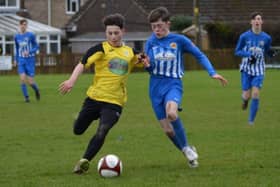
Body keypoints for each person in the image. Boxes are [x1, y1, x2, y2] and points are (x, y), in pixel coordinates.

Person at [139, 7, 228, 168]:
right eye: (153, 26)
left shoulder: (179, 40)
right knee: (167, 130)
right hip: (155, 88)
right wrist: (146, 65)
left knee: (171, 113)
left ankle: (186, 147)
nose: (156, 30)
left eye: (159, 25)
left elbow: (199, 54)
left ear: (168, 24)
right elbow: (150, 67)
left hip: (173, 84)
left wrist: (212, 72)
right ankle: (187, 151)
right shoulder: (150, 42)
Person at [59, 13, 139, 174]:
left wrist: (147, 61)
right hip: (94, 99)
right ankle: (84, 118)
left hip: (114, 102)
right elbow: (82, 64)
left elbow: (145, 60)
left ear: (123, 31)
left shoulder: (130, 52)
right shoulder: (100, 49)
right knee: (78, 130)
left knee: (102, 130)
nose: (113, 36)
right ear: (106, 33)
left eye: (116, 33)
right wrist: (71, 81)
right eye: (110, 33)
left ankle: (84, 162)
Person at [235, 12, 275, 125]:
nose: (257, 21)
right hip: (246, 68)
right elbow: (237, 51)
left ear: (261, 22)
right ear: (251, 22)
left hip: (259, 69)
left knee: (256, 94)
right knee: (246, 95)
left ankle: (250, 121)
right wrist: (248, 55)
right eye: (255, 19)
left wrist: (271, 53)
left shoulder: (267, 38)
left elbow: (267, 50)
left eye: (259, 19)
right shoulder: (244, 36)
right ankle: (245, 100)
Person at [14, 19, 40, 103]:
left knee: (31, 82)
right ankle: (26, 97)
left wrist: (30, 51)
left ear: (26, 26)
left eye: (25, 24)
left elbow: (37, 46)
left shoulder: (31, 35)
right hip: (21, 60)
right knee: (22, 79)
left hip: (30, 60)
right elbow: (17, 49)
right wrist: (16, 59)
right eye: (22, 24)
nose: (23, 26)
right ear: (19, 25)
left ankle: (36, 90)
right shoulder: (16, 36)